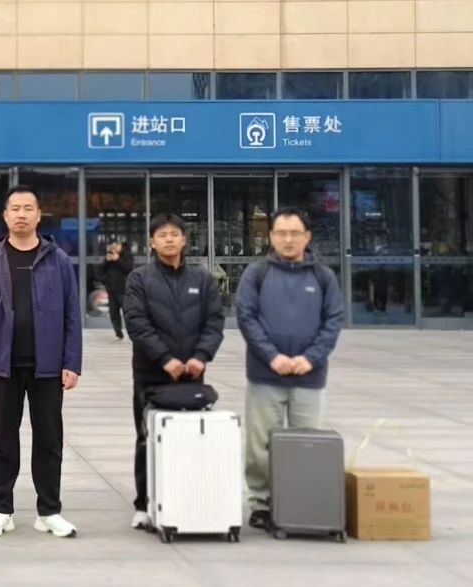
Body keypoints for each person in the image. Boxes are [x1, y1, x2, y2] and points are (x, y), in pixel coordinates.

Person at [0, 186, 83, 539]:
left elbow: (72, 314)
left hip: (47, 366)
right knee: (2, 439)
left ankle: (49, 511)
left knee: (49, 439)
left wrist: (72, 361)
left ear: (38, 215)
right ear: (5, 216)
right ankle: (0, 509)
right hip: (2, 366)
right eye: (15, 208)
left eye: (28, 208)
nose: (21, 214)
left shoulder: (58, 260)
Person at [234, 207, 345, 531]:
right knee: (260, 446)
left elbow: (333, 320)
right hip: (265, 374)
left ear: (307, 237)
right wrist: (272, 357)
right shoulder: (257, 274)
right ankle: (261, 503)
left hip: (309, 376)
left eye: (294, 233)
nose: (288, 239)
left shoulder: (323, 276)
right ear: (270, 237)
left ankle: (301, 504)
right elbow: (246, 317)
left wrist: (311, 358)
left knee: (306, 445)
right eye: (281, 233)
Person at [122, 213, 225, 531]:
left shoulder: (202, 279)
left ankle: (184, 498)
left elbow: (214, 321)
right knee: (147, 438)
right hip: (151, 374)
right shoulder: (140, 278)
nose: (169, 239)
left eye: (174, 234)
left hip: (192, 374)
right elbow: (136, 323)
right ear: (152, 243)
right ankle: (144, 504)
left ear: (184, 240)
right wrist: (165, 359)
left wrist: (201, 357)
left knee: (190, 437)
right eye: (162, 235)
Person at [101, 241, 134, 340]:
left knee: (127, 312)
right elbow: (101, 270)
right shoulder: (109, 255)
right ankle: (118, 332)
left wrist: (118, 259)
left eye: (116, 245)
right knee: (113, 313)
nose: (114, 247)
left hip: (123, 289)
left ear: (121, 246)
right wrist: (106, 261)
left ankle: (132, 331)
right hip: (111, 290)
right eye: (112, 246)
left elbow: (128, 268)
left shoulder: (127, 255)